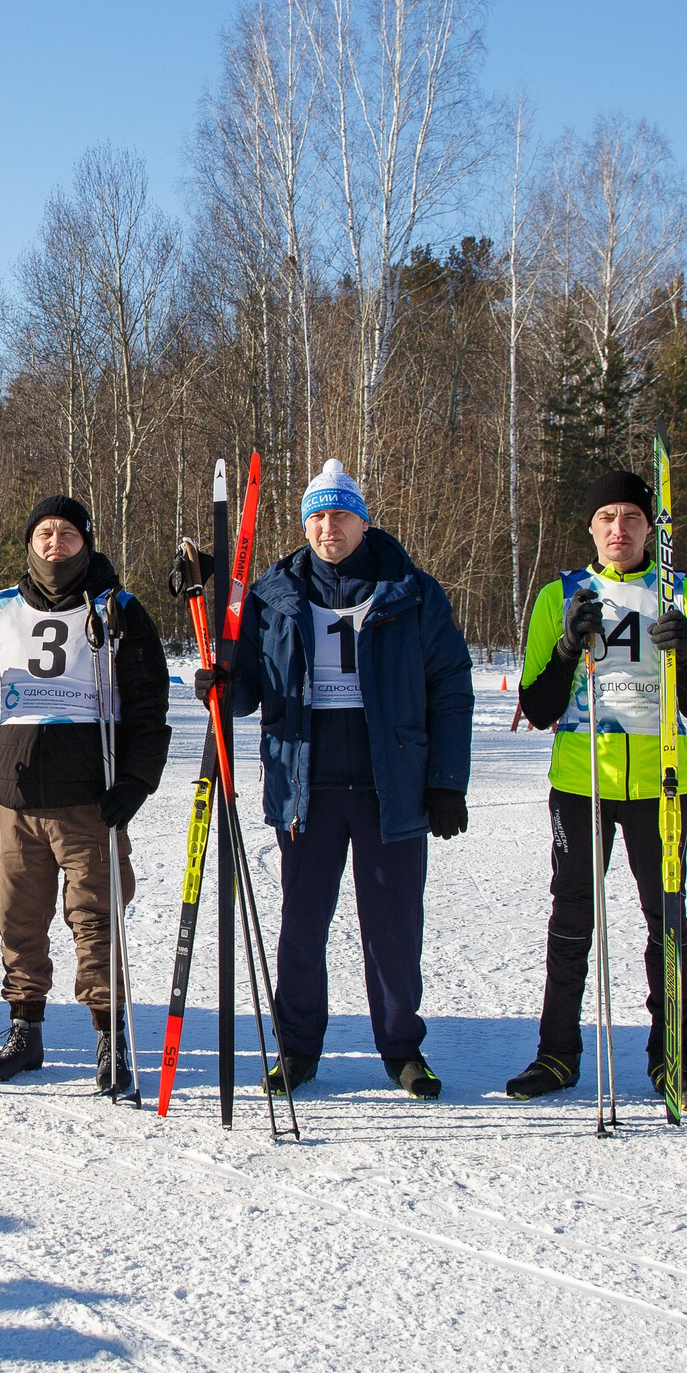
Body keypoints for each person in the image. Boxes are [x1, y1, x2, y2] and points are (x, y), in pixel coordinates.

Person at [194, 461, 474, 1098]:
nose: (328, 527)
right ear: (304, 525)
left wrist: (446, 780)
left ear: (363, 521)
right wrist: (219, 682)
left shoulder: (412, 591)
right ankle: (297, 1048)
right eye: (317, 516)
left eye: (340, 514)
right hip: (306, 787)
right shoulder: (272, 596)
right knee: (302, 927)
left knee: (393, 929)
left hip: (389, 787)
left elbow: (451, 687)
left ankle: (402, 1050)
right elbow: (246, 694)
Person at [507, 466, 687, 1109]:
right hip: (582, 785)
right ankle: (557, 1053)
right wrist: (567, 648)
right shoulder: (560, 595)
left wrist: (685, 656)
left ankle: (670, 1058)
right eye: (607, 518)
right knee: (572, 917)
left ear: (652, 528)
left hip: (662, 786)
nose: (619, 528)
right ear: (591, 528)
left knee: (667, 920)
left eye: (632, 517)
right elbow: (538, 706)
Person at [0, 495, 170, 1091]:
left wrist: (137, 781)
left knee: (95, 917)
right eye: (44, 532)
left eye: (67, 533)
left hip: (90, 795)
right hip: (17, 794)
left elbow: (150, 706)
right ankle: (26, 1030)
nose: (54, 542)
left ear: (86, 541)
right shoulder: (1, 609)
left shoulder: (118, 609)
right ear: (29, 542)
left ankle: (109, 1035)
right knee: (18, 918)